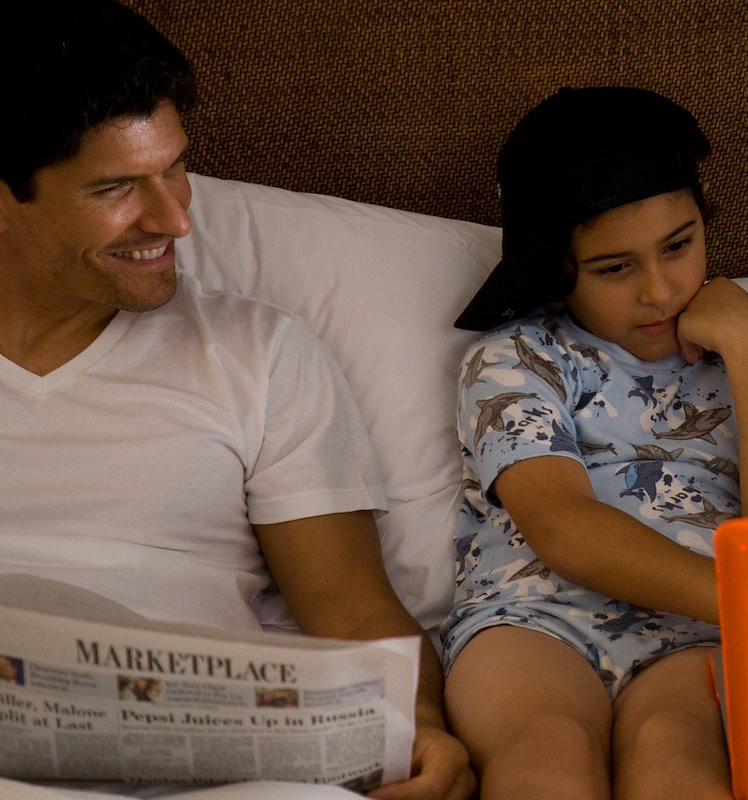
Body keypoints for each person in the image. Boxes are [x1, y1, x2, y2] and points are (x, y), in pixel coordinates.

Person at [0, 3, 472, 797]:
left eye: (175, 168)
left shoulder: (258, 355)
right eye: (117, 187)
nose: (176, 219)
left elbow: (353, 613)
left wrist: (421, 731)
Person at [442, 87, 748, 799]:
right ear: (557, 272)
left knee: (676, 754)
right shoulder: (519, 358)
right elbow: (564, 526)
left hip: (696, 633)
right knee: (548, 753)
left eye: (679, 247)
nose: (660, 290)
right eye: (616, 268)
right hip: (535, 615)